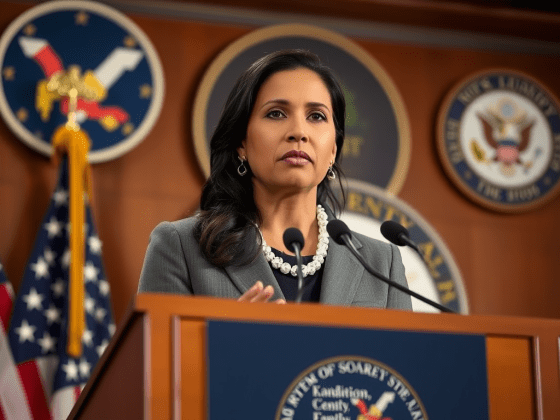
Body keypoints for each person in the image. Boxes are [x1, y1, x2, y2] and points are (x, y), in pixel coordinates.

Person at [138, 49, 412, 310]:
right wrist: (226, 336)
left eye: (316, 116)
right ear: (241, 143)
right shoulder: (180, 247)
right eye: (276, 113)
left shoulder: (381, 264)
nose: (299, 132)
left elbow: (401, 347)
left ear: (333, 150)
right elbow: (156, 345)